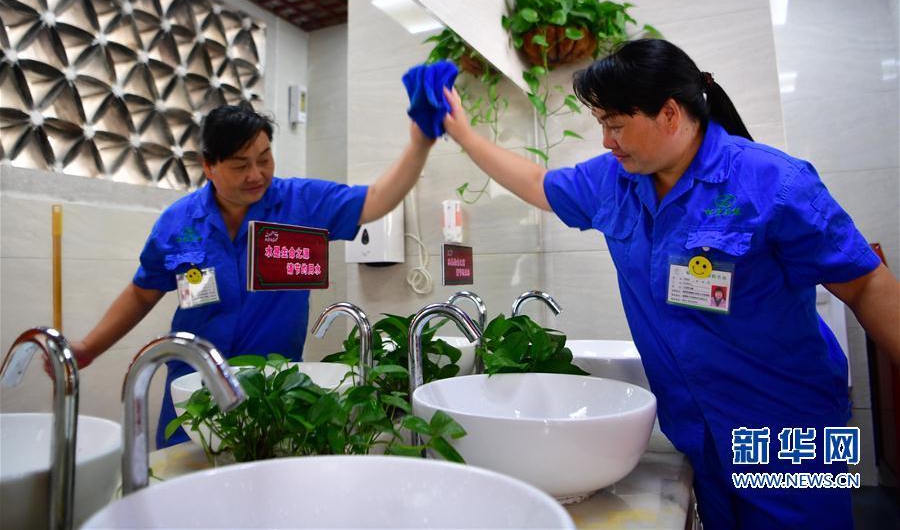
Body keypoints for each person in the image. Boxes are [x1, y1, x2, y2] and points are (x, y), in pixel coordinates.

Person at [441, 38, 900, 529]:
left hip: (789, 427)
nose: (606, 141)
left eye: (616, 125)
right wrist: (463, 133)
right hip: (697, 431)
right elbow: (539, 184)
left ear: (670, 114)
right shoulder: (616, 181)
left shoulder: (772, 182)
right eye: (601, 124)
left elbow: (866, 286)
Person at [69, 104, 435, 448]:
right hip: (194, 389)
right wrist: (90, 347)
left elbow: (376, 199)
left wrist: (420, 144)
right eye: (240, 165)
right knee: (186, 480)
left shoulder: (300, 204)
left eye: (264, 159)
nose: (256, 175)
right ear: (208, 166)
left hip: (272, 392)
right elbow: (142, 293)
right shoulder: (178, 222)